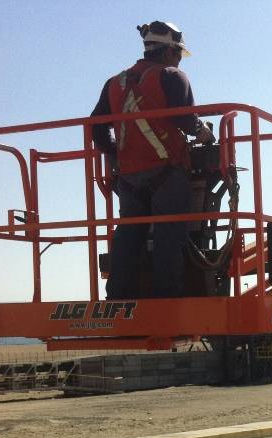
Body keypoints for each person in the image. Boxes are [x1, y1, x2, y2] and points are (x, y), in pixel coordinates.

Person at [91, 21, 215, 299]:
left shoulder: (115, 83)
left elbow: (96, 127)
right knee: (169, 236)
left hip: (129, 177)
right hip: (168, 174)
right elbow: (184, 117)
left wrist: (113, 153)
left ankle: (118, 299)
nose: (181, 61)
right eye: (180, 55)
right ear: (170, 51)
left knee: (128, 235)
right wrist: (203, 133)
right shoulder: (172, 77)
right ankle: (166, 301)